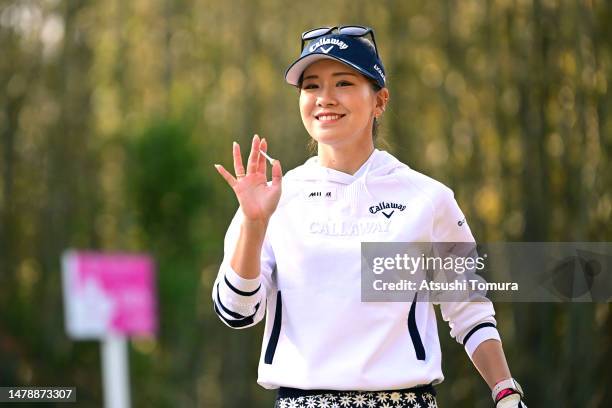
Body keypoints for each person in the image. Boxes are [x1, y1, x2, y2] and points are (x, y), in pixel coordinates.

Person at [213, 25, 527, 408]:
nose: (325, 98)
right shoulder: (273, 199)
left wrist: (505, 391)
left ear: (379, 101)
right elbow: (237, 313)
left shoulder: (427, 198)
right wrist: (254, 225)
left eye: (343, 83)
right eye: (311, 86)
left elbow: (469, 309)